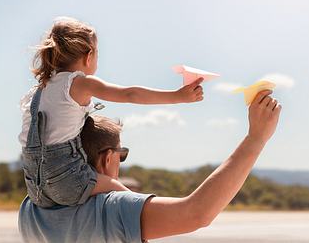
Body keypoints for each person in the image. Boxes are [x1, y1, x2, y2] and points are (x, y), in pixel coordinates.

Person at [19, 90, 282, 242]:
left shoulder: (30, 209)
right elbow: (197, 213)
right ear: (107, 158)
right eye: (121, 155)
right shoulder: (112, 209)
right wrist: (256, 137)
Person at [19, 17, 205, 208]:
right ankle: (146, 216)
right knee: (122, 193)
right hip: (67, 182)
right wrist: (178, 96)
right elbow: (129, 94)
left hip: (35, 187)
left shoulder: (38, 90)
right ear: (89, 55)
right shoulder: (79, 83)